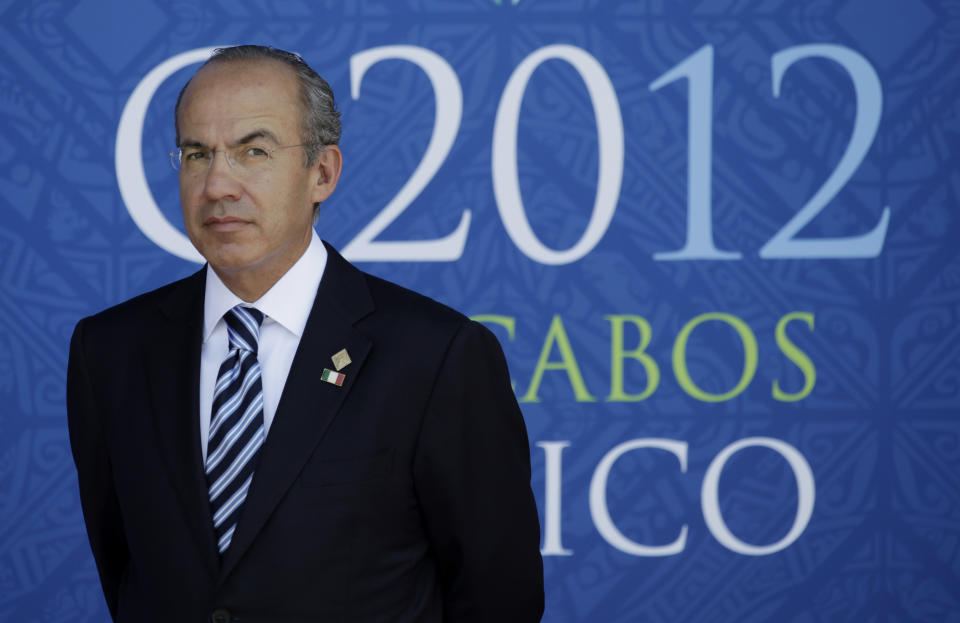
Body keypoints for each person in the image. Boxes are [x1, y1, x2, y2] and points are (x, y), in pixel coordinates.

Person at [67, 45, 544, 623]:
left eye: (254, 151)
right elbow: (126, 571)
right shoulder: (109, 351)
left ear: (322, 173)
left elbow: (500, 599)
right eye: (197, 154)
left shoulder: (437, 357)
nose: (217, 185)